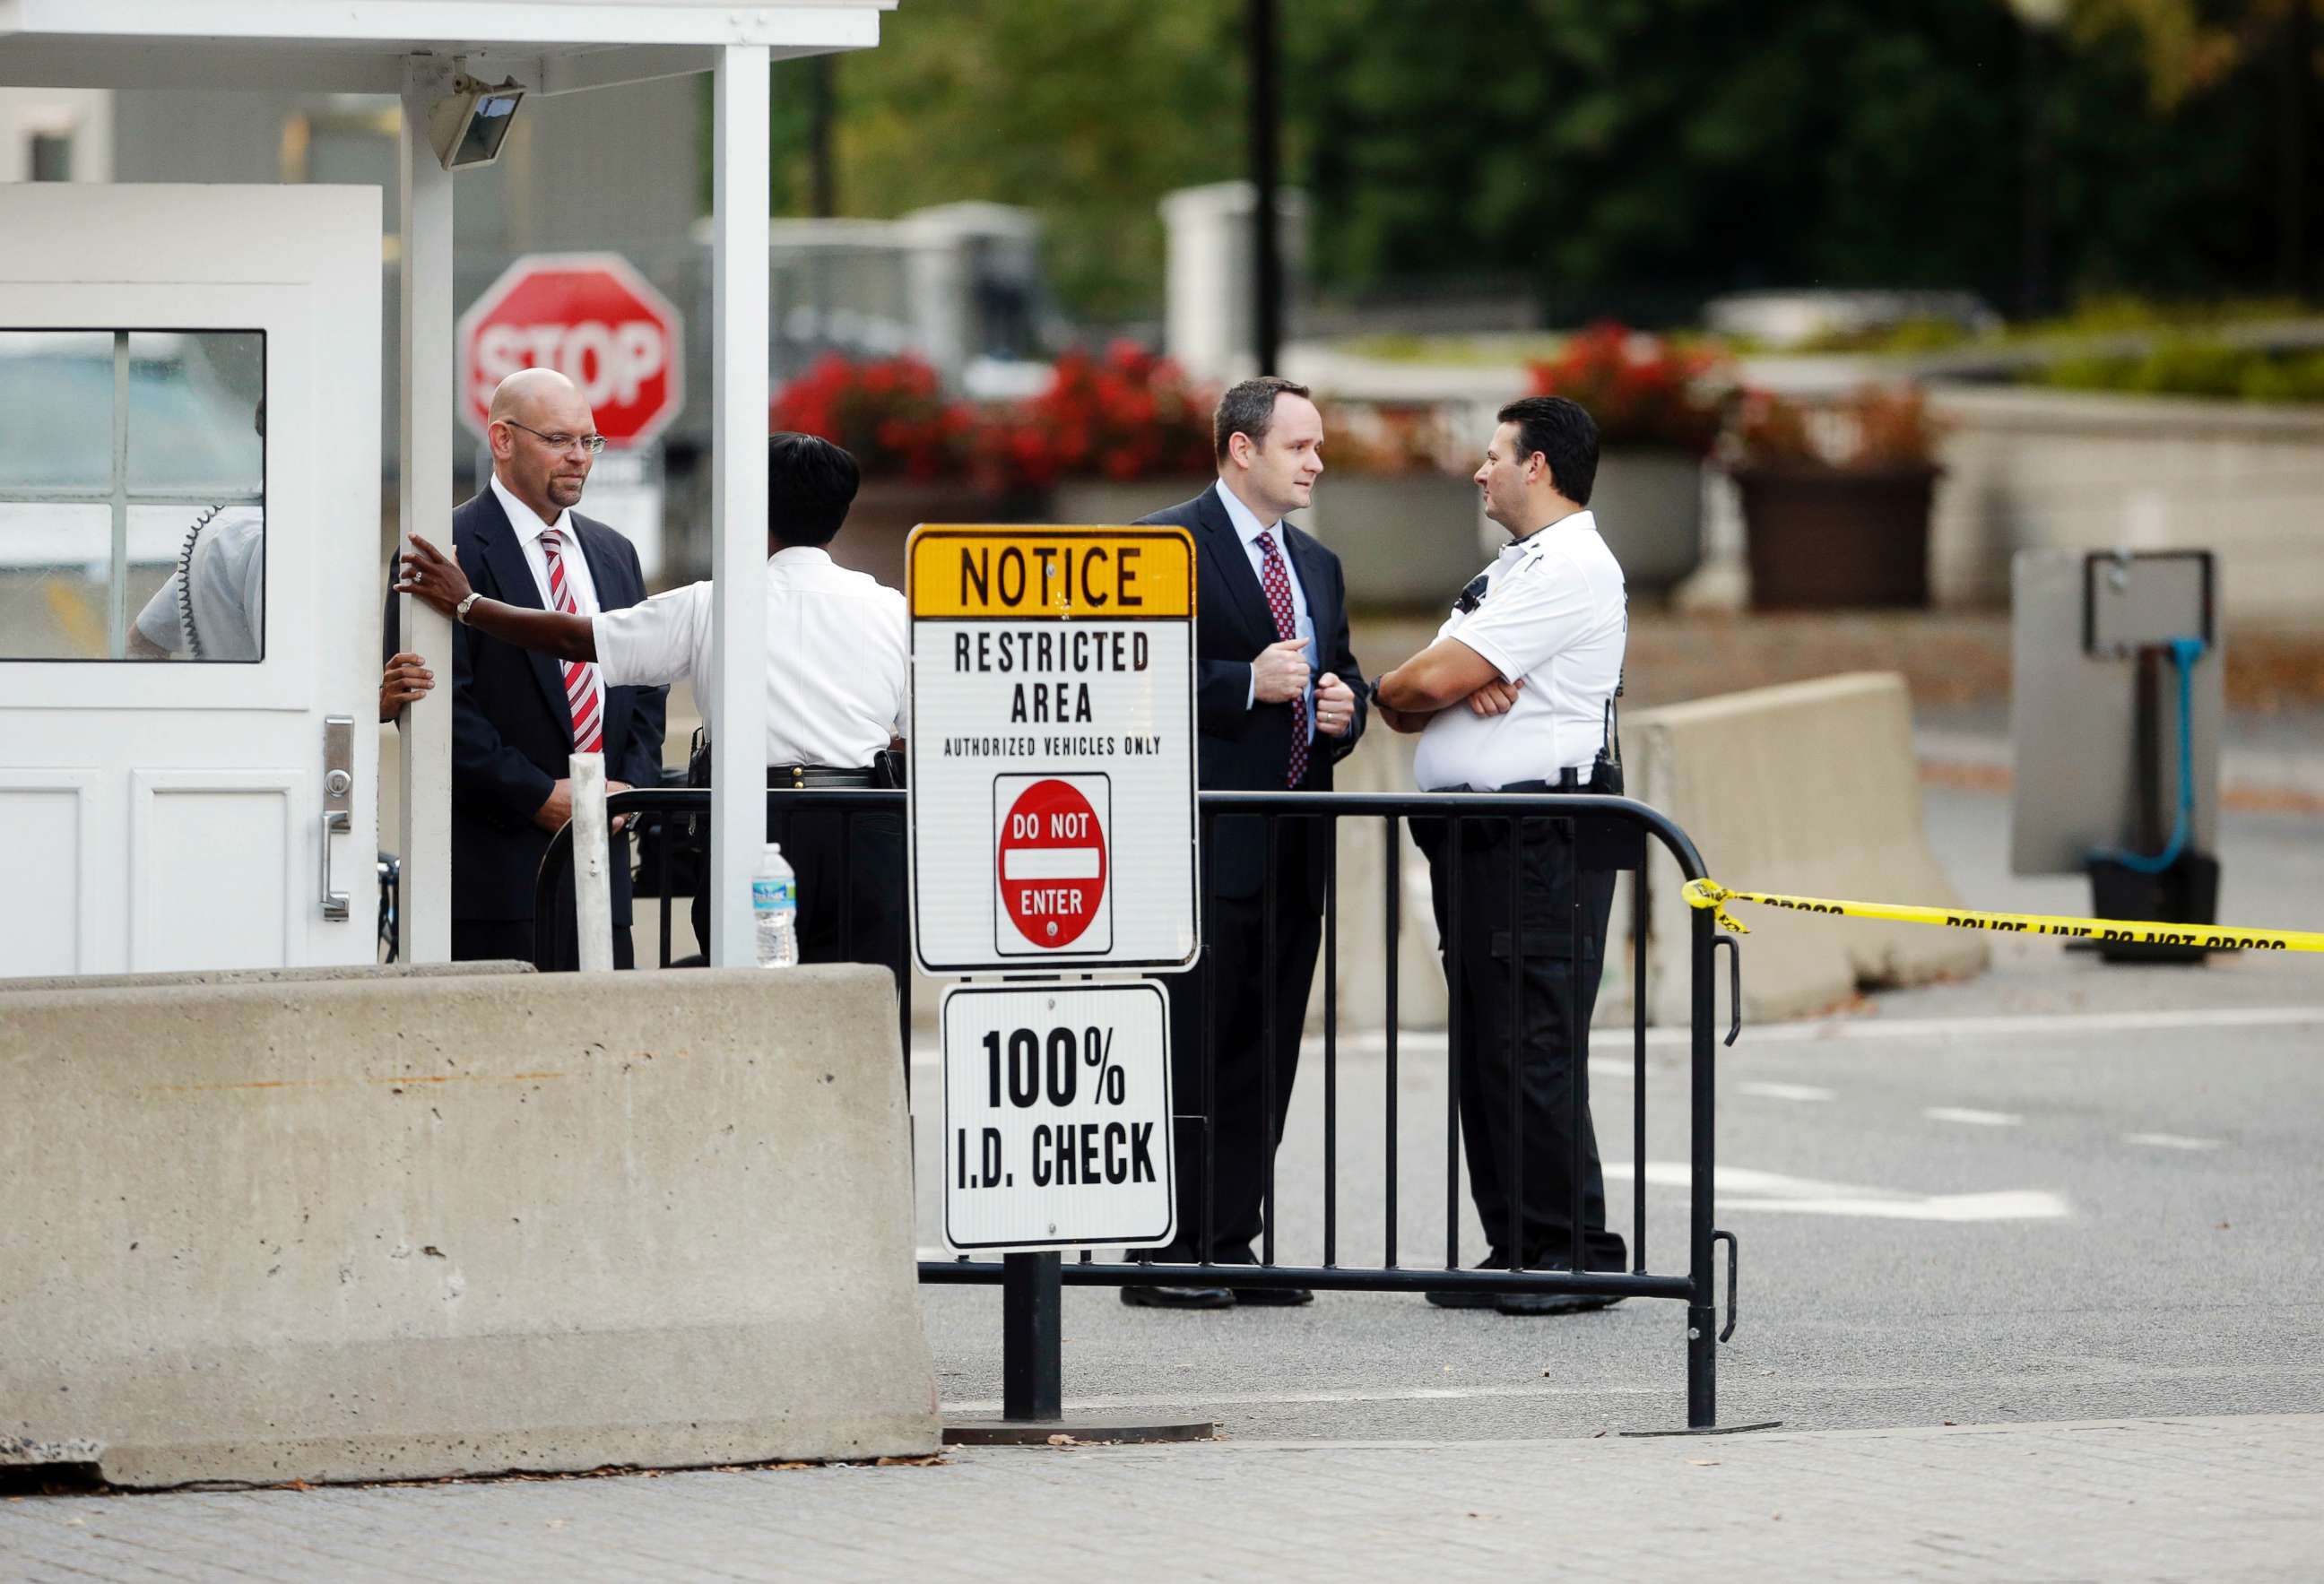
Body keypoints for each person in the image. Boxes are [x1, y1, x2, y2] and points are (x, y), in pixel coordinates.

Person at [397, 432, 906, 987]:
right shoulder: (891, 609)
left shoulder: (715, 603)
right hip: (867, 824)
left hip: (756, 830)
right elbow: (914, 733)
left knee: (751, 1008)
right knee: (870, 1003)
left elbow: (578, 639)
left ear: (754, 506)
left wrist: (469, 606)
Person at [1374, 394, 1629, 1317]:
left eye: (1493, 456)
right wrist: (1428, 687)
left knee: (1534, 1039)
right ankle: (1519, 1242)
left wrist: (1436, 682)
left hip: (1540, 836)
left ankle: (1575, 1252)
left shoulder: (1569, 567)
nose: (1479, 471)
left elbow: (1423, 681)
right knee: (1490, 1042)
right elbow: (1407, 701)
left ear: (1539, 468)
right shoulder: (1513, 570)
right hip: (1483, 837)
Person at [1123, 376, 1367, 1309]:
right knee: (1193, 1040)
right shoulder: (1164, 543)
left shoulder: (1319, 565)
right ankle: (1168, 1250)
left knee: (1267, 1046)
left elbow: (1334, 674)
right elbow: (1118, 679)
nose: (1316, 461)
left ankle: (1232, 1238)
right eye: (1299, 446)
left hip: (1294, 842)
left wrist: (1348, 707)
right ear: (1241, 449)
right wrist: (1238, 684)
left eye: (1317, 446)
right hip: (1197, 846)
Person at [386, 367, 665, 970]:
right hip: (497, 879)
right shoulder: (445, 549)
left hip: (605, 867)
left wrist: (628, 789)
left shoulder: (616, 553)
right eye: (560, 439)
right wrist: (541, 796)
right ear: (503, 440)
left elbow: (646, 684)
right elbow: (440, 706)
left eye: (588, 441)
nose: (579, 458)